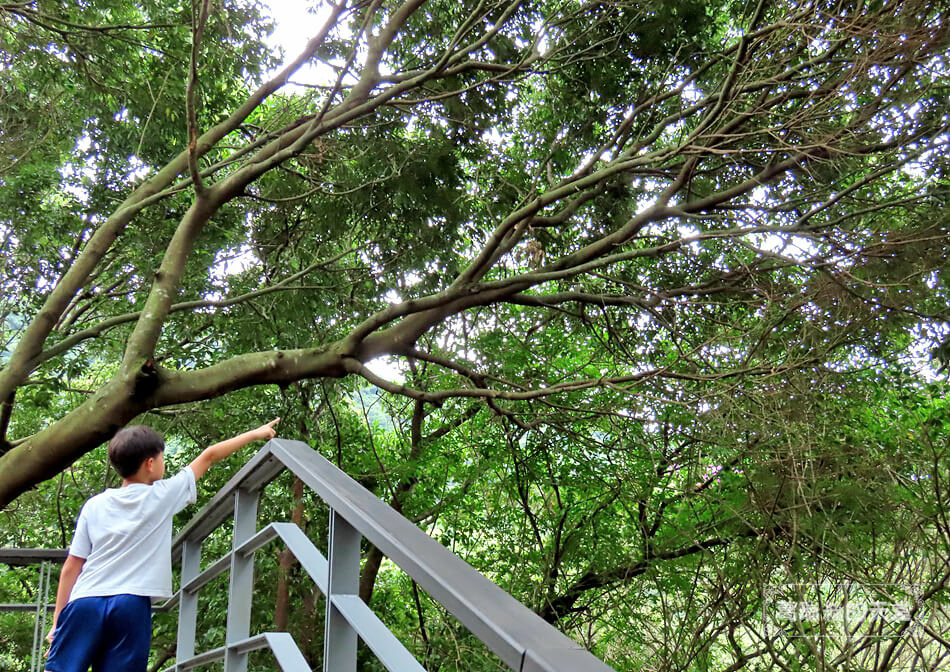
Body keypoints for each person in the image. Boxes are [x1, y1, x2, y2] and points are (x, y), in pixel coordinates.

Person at [44, 418, 280, 672]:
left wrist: (58, 620)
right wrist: (256, 433)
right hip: (130, 602)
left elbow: (72, 566)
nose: (164, 464)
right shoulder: (164, 494)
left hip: (84, 600)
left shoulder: (95, 504)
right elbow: (209, 456)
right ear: (150, 464)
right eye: (162, 458)